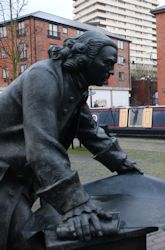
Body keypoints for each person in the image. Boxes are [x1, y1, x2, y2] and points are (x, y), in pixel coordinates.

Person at [0, 31, 142, 249]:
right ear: (85, 58)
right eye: (107, 63)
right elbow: (41, 146)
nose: (112, 71)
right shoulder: (43, 76)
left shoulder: (76, 87)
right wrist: (76, 203)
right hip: (5, 174)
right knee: (24, 240)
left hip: (24, 174)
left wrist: (126, 166)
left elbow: (90, 133)